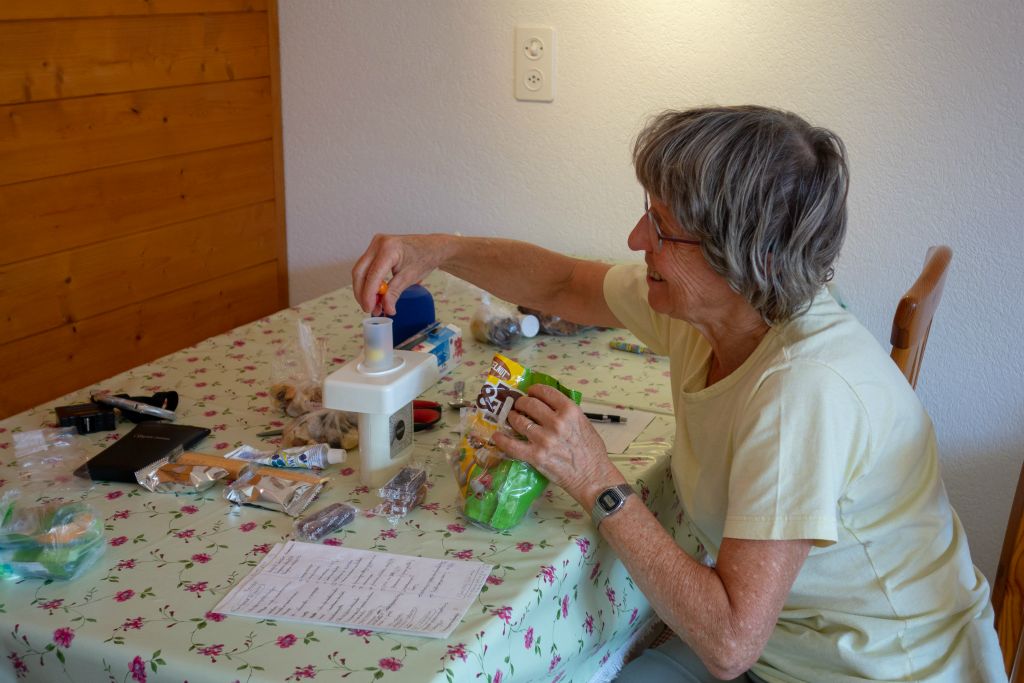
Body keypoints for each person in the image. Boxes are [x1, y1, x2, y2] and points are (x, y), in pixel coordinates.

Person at [351, 105, 1005, 682]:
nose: (638, 241)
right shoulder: (716, 310)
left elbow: (727, 643)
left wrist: (598, 480)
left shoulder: (804, 391)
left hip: (869, 669)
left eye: (662, 228)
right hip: (789, 643)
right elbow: (564, 284)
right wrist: (437, 249)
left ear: (746, 259)